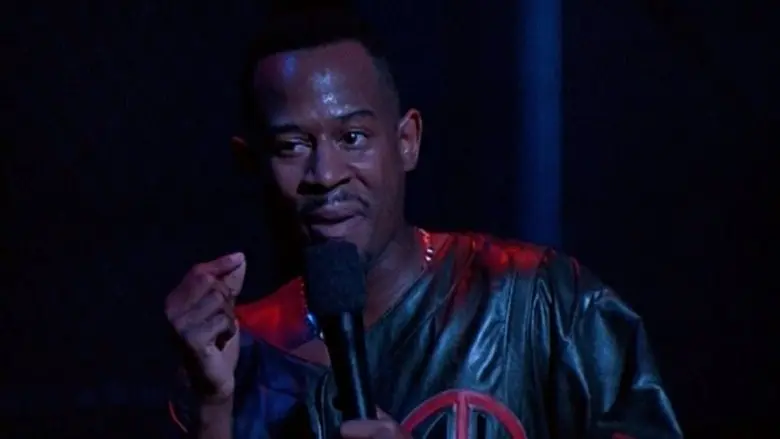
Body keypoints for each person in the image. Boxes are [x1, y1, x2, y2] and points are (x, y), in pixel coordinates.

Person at [163, 5, 683, 439]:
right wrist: (213, 407)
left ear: (407, 142)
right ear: (251, 163)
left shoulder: (539, 304)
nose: (325, 174)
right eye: (292, 146)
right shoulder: (238, 354)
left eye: (352, 138)